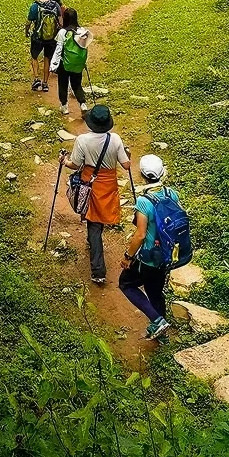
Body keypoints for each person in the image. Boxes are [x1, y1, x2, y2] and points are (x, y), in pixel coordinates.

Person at [61, 105, 130, 284]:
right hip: (108, 186)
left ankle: (98, 271)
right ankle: (93, 246)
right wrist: (126, 153)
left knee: (94, 224)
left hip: (90, 185)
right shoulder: (115, 139)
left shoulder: (82, 140)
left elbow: (75, 165)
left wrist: (64, 161)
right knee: (98, 221)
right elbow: (127, 165)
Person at [119, 153, 176, 339]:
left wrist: (128, 257)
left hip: (149, 257)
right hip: (166, 253)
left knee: (126, 284)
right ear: (162, 173)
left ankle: (158, 321)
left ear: (142, 175)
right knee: (155, 291)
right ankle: (162, 334)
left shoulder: (144, 202)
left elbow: (140, 234)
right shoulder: (171, 194)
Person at [50, 7, 91, 115]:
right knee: (77, 84)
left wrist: (53, 64)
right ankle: (83, 104)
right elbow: (84, 47)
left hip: (65, 63)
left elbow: (58, 50)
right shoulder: (82, 31)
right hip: (78, 63)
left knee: (63, 84)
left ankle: (64, 106)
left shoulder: (63, 32)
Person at [25, 0, 61, 92]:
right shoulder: (56, 6)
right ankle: (45, 83)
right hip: (51, 38)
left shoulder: (35, 6)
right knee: (47, 59)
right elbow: (60, 22)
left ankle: (36, 79)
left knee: (34, 56)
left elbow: (28, 23)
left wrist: (27, 32)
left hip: (37, 37)